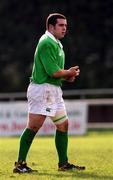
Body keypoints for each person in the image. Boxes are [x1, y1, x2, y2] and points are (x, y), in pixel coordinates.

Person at [13, 13, 85, 173]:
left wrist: (68, 75)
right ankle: (20, 164)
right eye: (61, 25)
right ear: (51, 27)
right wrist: (68, 73)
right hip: (42, 89)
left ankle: (63, 164)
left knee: (63, 125)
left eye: (66, 26)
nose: (64, 28)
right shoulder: (46, 42)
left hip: (53, 90)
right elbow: (53, 72)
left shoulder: (57, 43)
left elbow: (57, 73)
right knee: (33, 126)